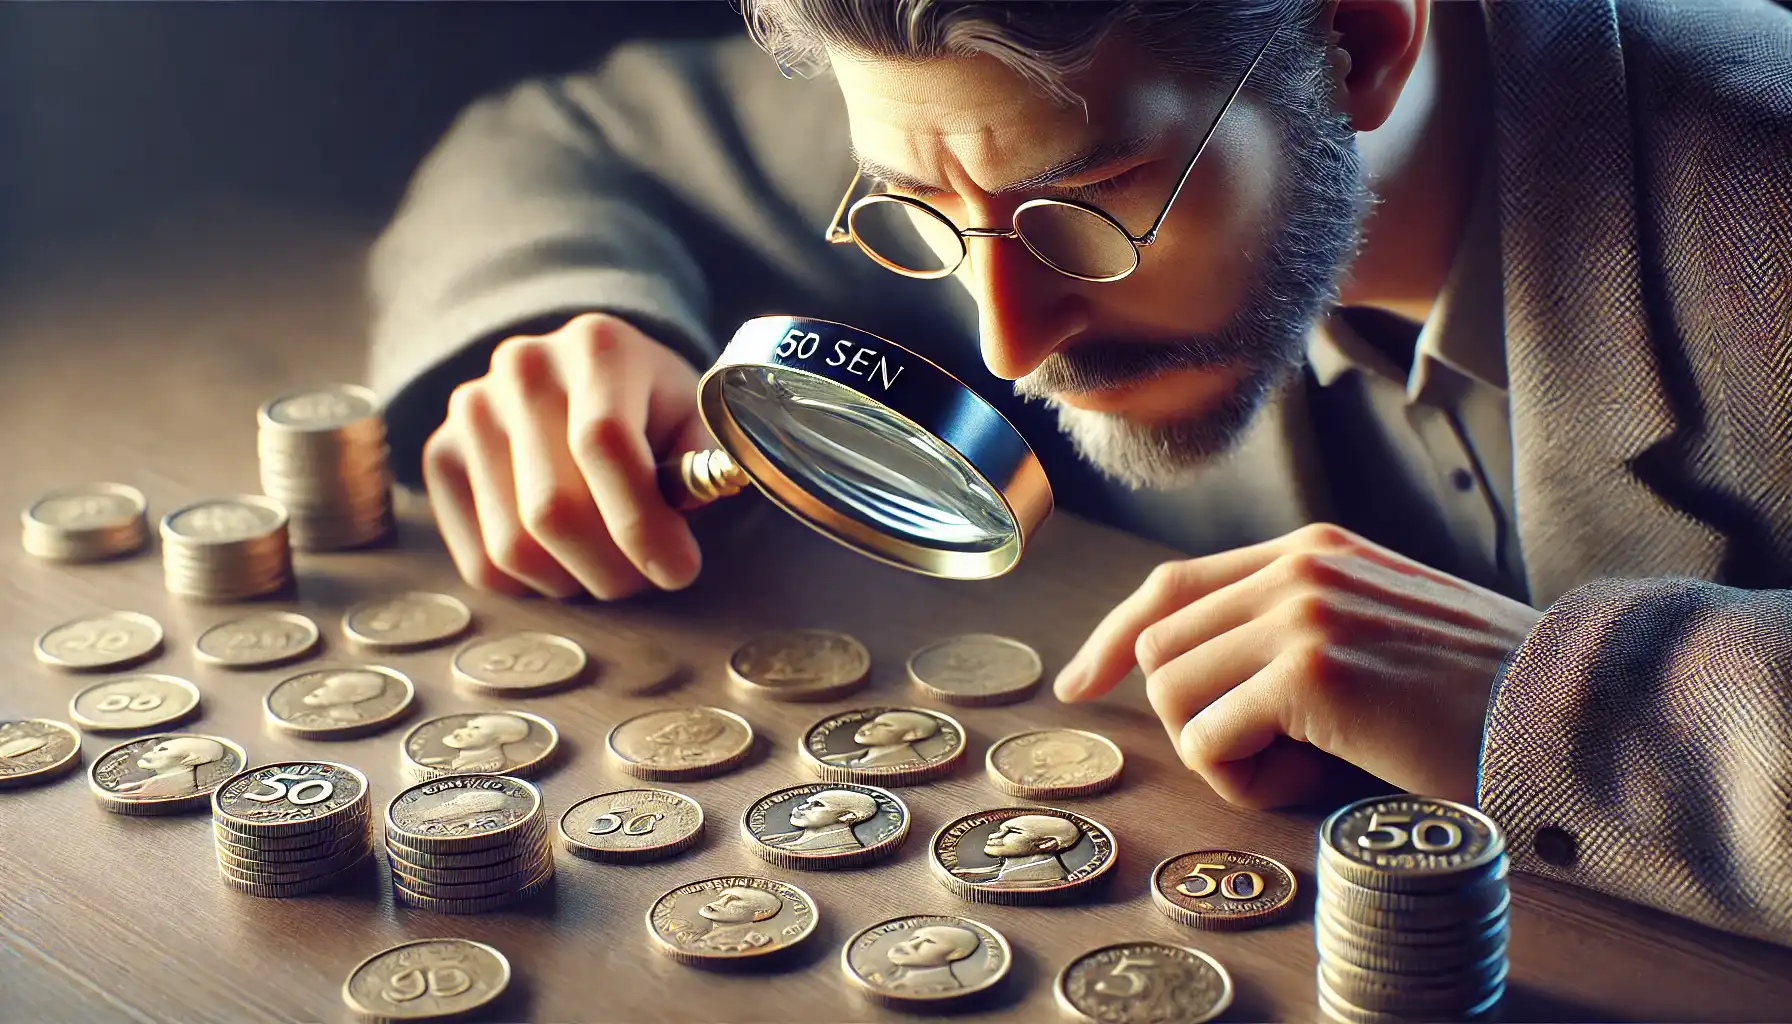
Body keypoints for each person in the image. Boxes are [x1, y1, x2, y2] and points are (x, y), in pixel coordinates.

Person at [366, 0, 1792, 946]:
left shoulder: (1761, 200)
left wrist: (1556, 703)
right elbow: (554, 139)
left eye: (1086, 211)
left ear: (1357, 42)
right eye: (919, 212)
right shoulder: (979, 95)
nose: (1010, 338)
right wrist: (567, 322)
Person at [953, 814, 1084, 887]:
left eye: (1012, 831)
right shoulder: (1005, 871)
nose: (993, 836)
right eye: (1000, 830)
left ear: (1047, 843)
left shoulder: (1048, 878)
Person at [759, 789, 879, 852]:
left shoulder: (842, 848)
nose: (801, 808)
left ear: (846, 816)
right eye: (807, 802)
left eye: (817, 805)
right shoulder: (775, 840)